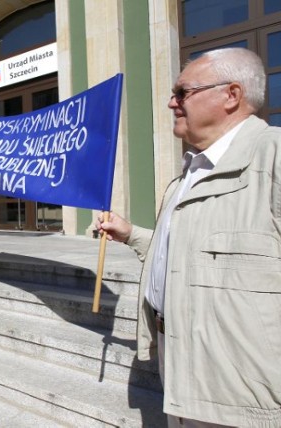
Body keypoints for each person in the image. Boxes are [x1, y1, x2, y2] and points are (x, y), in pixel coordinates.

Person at [96, 47, 281, 427]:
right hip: (180, 366)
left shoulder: (274, 155)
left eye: (182, 92)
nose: (170, 103)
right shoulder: (186, 175)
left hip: (245, 395)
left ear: (231, 95)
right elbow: (193, 256)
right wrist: (132, 234)